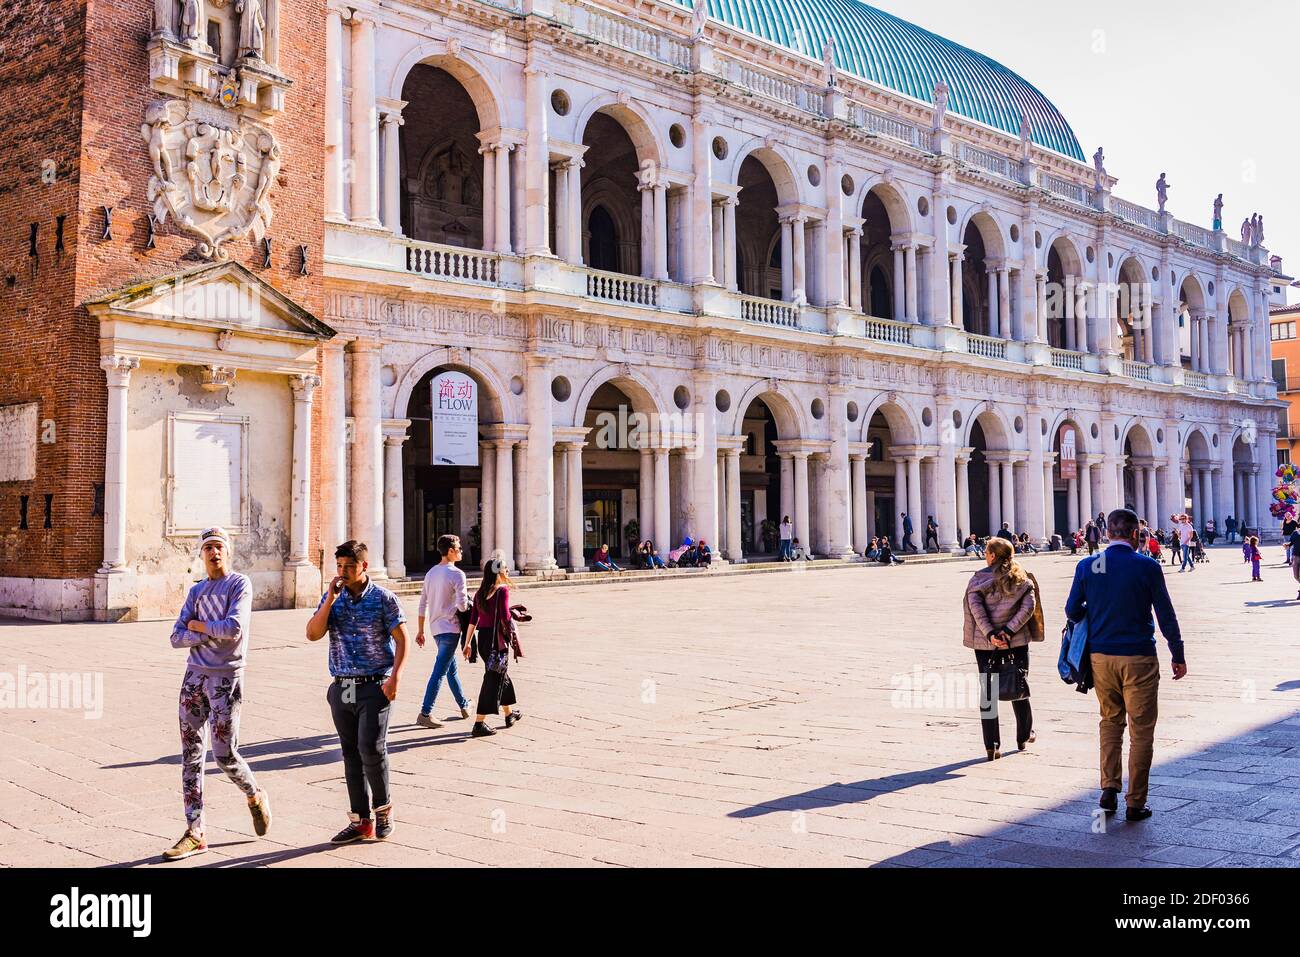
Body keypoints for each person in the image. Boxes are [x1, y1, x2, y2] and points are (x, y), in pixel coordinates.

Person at [1065, 508, 1186, 823]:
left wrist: (1099, 606)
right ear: (1136, 534)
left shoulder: (1088, 565)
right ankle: (1136, 803)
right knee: (1142, 731)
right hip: (1139, 657)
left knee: (1110, 721)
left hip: (1101, 657)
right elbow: (1165, 614)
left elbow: (1072, 609)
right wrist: (1178, 652)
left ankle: (1108, 788)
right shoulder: (1146, 566)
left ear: (1107, 534)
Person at [163, 526, 270, 861]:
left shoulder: (239, 585)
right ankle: (195, 832)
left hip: (226, 679)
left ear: (228, 551)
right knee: (191, 757)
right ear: (201, 554)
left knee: (224, 755)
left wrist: (199, 628)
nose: (214, 552)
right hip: (193, 678)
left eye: (219, 547)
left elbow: (234, 629)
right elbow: (176, 636)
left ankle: (254, 794)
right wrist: (206, 632)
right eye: (208, 547)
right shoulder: (197, 591)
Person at [307, 540, 409, 844]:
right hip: (344, 687)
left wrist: (395, 679)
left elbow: (402, 641)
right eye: (339, 567)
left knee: (371, 748)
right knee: (350, 752)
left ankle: (383, 810)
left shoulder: (383, 599)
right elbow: (312, 634)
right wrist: (328, 600)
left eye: (349, 567)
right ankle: (360, 820)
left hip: (374, 685)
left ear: (364, 565)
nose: (343, 572)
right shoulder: (333, 599)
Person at [962, 537, 1042, 762]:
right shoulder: (1022, 577)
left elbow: (975, 610)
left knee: (988, 693)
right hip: (1015, 642)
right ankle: (1024, 735)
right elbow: (1029, 607)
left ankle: (992, 745)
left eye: (987, 552)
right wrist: (1008, 631)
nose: (985, 556)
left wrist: (991, 634)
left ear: (993, 556)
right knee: (1019, 684)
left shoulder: (978, 579)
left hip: (986, 644)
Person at [414, 534, 472, 730]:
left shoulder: (431, 573)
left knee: (450, 669)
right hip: (451, 627)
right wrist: (467, 604)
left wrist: (420, 630)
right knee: (440, 671)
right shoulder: (457, 574)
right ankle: (425, 712)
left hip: (435, 628)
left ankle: (464, 705)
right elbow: (463, 607)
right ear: (450, 551)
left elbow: (422, 604)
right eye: (459, 548)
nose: (461, 551)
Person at [463, 559, 521, 737]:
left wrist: (467, 644)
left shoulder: (479, 593)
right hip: (497, 641)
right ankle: (479, 723)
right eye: (505, 568)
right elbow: (504, 616)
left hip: (484, 641)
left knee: (498, 673)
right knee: (492, 679)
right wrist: (514, 620)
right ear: (498, 572)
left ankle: (509, 713)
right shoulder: (502, 590)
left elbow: (473, 620)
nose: (507, 571)